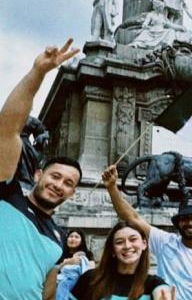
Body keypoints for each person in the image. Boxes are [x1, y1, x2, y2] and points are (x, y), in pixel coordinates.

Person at [0, 39, 81, 300]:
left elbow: (47, 291)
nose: (59, 185)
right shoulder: (7, 195)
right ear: (38, 175)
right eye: (55, 176)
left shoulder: (59, 237)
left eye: (68, 183)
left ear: (72, 194)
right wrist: (38, 73)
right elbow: (8, 129)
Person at [102, 165, 192, 300]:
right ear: (178, 222)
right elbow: (132, 218)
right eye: (185, 218)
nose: (190, 223)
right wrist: (112, 187)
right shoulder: (165, 242)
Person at [70, 221, 173, 300]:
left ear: (144, 244)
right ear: (112, 250)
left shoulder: (153, 283)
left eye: (133, 239)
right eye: (119, 242)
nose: (127, 246)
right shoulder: (90, 278)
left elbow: (162, 292)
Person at [56, 229, 95, 300]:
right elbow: (53, 271)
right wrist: (68, 262)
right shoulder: (60, 254)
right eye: (71, 236)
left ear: (81, 241)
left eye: (76, 237)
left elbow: (91, 271)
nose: (73, 239)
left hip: (79, 285)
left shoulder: (87, 254)